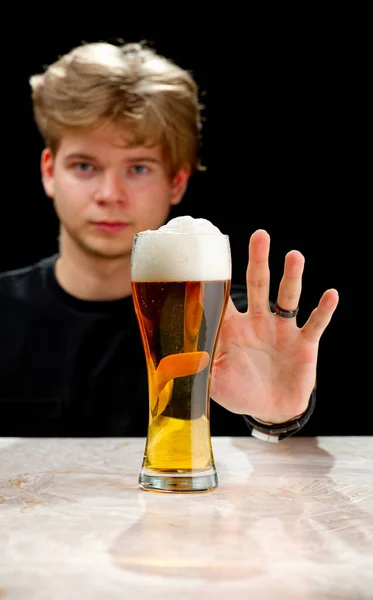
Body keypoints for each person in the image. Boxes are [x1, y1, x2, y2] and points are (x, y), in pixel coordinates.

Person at [0, 40, 339, 441]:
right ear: (49, 171)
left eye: (138, 168)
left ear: (176, 181)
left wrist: (279, 417)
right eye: (85, 166)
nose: (110, 194)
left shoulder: (232, 324)